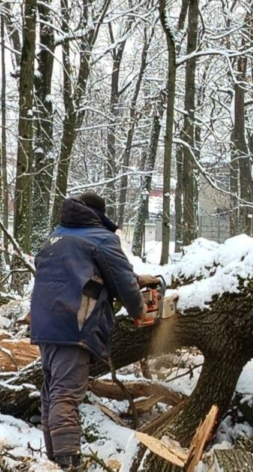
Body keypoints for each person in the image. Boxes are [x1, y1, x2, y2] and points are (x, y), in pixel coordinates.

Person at [30, 192, 156, 470]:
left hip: (44, 323)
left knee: (52, 392)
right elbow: (120, 280)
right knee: (66, 394)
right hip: (74, 324)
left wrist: (137, 278)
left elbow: (84, 271)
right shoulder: (102, 238)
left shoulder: (57, 235)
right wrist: (139, 310)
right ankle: (67, 462)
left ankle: (53, 460)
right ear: (99, 215)